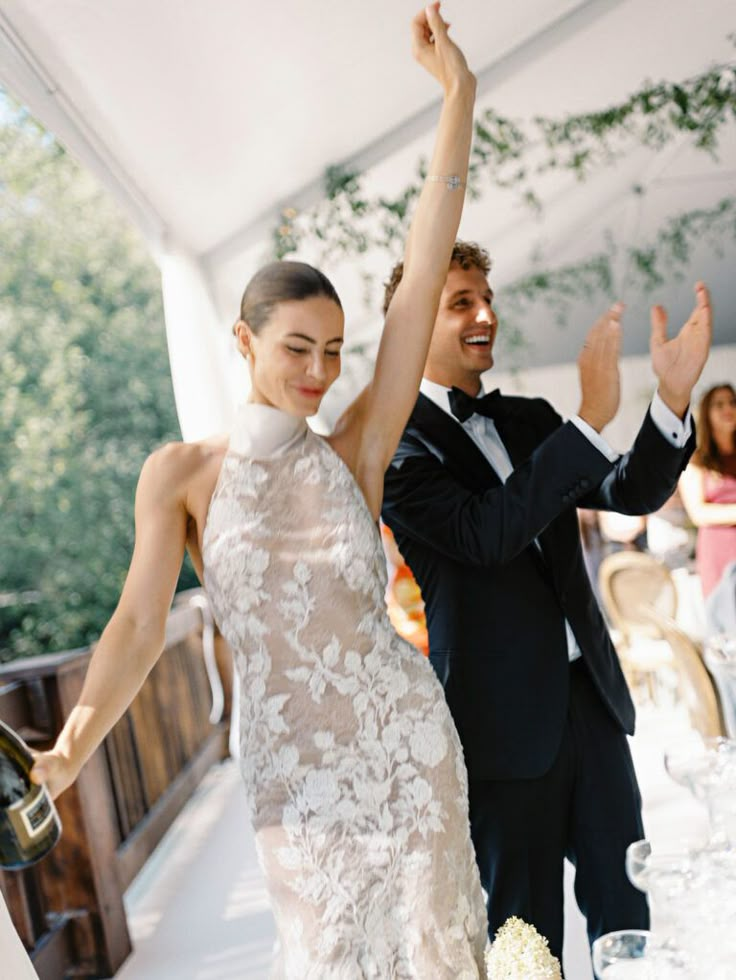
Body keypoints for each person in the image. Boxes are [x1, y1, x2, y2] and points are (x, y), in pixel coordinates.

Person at [29, 8, 489, 976]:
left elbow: (417, 285)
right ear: (245, 340)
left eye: (331, 350)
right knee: (329, 955)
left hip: (404, 738)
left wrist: (459, 99)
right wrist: (70, 749)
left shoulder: (355, 445)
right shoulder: (181, 472)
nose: (319, 371)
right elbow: (138, 626)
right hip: (292, 767)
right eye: (296, 348)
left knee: (436, 957)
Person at [381, 239, 712, 959]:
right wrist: (589, 420)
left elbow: (629, 491)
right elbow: (484, 534)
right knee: (526, 943)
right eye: (460, 302)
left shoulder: (529, 418)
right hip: (499, 735)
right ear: (410, 326)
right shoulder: (395, 450)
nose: (485, 314)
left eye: (487, 298)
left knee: (627, 916)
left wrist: (672, 403)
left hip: (591, 705)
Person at [679, 383, 736, 599]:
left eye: (732, 402)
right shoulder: (696, 459)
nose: (728, 409)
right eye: (719, 405)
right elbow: (698, 513)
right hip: (720, 549)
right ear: (706, 412)